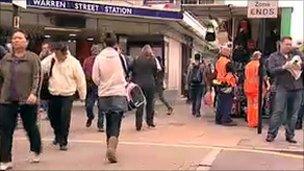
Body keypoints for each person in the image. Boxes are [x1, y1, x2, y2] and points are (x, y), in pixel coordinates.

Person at [0, 29, 42, 170]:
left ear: (26, 41)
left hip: (27, 99)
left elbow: (37, 76)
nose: (15, 40)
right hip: (7, 99)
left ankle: (35, 149)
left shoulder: (32, 58)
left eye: (19, 38)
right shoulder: (6, 59)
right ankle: (5, 159)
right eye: (14, 38)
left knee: (30, 126)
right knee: (5, 129)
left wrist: (34, 93)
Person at [41, 42, 86, 151]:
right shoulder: (51, 59)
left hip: (68, 94)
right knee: (52, 117)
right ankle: (57, 134)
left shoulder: (73, 62)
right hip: (54, 94)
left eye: (58, 54)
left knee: (64, 118)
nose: (56, 56)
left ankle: (63, 141)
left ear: (64, 53)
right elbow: (40, 68)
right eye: (55, 54)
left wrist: (82, 95)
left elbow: (80, 79)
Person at [92, 33, 128, 163]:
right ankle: (112, 146)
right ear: (115, 44)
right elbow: (126, 73)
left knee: (108, 119)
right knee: (116, 121)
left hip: (104, 94)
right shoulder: (120, 57)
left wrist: (102, 84)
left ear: (104, 43)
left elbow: (95, 77)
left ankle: (109, 145)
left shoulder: (99, 57)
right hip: (118, 92)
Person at [266, 36, 304, 143]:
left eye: (290, 44)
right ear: (281, 44)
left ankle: (290, 135)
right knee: (278, 111)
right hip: (282, 87)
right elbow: (271, 70)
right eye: (287, 44)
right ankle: (271, 134)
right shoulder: (274, 56)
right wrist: (284, 67)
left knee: (293, 114)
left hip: (297, 87)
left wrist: (298, 56)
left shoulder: (295, 55)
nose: (289, 46)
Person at [131, 44, 158, 131]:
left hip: (139, 84)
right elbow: (155, 72)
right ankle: (150, 122)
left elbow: (131, 69)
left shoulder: (136, 59)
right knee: (150, 103)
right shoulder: (153, 60)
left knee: (140, 103)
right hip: (150, 84)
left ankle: (138, 124)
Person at [214, 43, 237, 126]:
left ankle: (218, 118)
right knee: (227, 102)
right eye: (229, 52)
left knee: (220, 102)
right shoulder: (227, 62)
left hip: (220, 83)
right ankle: (225, 119)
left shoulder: (218, 61)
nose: (230, 53)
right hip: (227, 83)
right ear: (226, 53)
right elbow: (233, 71)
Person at [244, 51, 269, 128]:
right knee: (257, 105)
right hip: (257, 87)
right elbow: (264, 77)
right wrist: (268, 85)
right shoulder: (259, 65)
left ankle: (250, 121)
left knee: (250, 105)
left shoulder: (248, 65)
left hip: (248, 86)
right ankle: (256, 122)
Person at [83, 45, 104, 132]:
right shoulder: (87, 61)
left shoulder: (103, 61)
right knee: (89, 106)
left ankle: (100, 125)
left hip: (101, 85)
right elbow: (83, 72)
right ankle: (90, 116)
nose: (95, 53)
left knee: (101, 106)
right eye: (94, 51)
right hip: (90, 86)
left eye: (97, 51)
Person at [38, 42, 53, 119]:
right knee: (43, 98)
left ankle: (49, 113)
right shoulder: (40, 56)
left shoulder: (52, 57)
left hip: (49, 79)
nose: (44, 49)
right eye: (43, 48)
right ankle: (47, 111)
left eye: (46, 48)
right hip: (42, 80)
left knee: (48, 98)